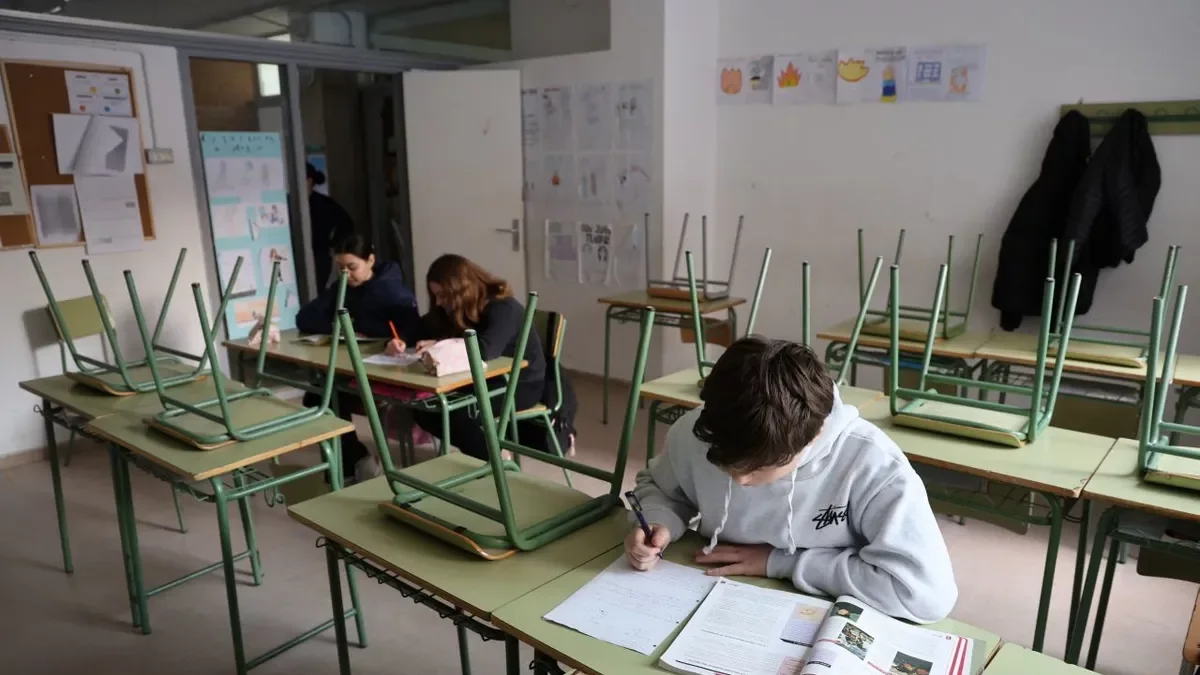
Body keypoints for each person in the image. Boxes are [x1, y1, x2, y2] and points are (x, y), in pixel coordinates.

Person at [624, 336, 957, 624]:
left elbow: (925, 594)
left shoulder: (873, 465)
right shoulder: (699, 429)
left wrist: (779, 562)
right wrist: (659, 520)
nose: (739, 480)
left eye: (759, 468)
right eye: (727, 464)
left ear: (811, 439)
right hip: (710, 589)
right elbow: (660, 487)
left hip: (821, 607)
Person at [385, 254, 577, 461]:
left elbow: (487, 349)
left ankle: (496, 461)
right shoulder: (457, 307)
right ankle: (486, 451)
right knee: (425, 408)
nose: (439, 303)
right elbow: (423, 325)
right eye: (436, 296)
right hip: (480, 379)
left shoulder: (504, 308)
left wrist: (441, 344)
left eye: (443, 295)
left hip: (520, 383)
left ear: (461, 290)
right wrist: (401, 339)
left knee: (460, 411)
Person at [296, 234, 420, 481]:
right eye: (340, 268)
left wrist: (390, 338)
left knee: (325, 398)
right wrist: (339, 323)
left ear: (370, 260)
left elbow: (414, 329)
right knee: (317, 397)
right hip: (351, 365)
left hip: (384, 370)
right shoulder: (340, 288)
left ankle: (354, 462)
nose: (345, 274)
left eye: (352, 267)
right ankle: (355, 458)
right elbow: (304, 318)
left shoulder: (391, 289)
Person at [306, 162, 355, 288]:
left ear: (310, 181)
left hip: (319, 256)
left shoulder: (324, 203)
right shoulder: (292, 202)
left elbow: (346, 223)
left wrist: (332, 243)